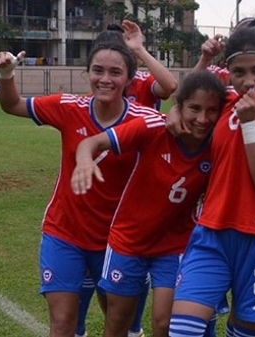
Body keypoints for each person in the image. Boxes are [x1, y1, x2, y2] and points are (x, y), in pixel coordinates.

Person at [0, 42, 159, 337]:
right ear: (87, 73)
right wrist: (6, 75)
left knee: (117, 326)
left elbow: (180, 116)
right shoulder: (69, 107)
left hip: (118, 241)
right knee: (62, 322)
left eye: (115, 72)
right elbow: (12, 105)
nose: (105, 79)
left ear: (130, 80)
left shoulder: (144, 120)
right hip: (64, 232)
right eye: (98, 70)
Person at [168, 27, 255, 337]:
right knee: (181, 330)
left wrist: (250, 124)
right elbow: (189, 93)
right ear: (228, 73)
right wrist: (177, 107)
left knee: (245, 333)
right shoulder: (224, 100)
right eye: (239, 72)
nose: (249, 81)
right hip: (211, 234)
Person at [70, 71, 225, 337]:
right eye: (195, 109)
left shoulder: (219, 144)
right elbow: (92, 142)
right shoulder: (153, 127)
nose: (202, 119)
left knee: (164, 324)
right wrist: (84, 159)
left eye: (212, 111)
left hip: (174, 244)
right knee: (117, 324)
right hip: (129, 241)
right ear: (180, 106)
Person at [74, 19, 178, 337]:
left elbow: (171, 87)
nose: (107, 76)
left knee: (127, 302)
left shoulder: (141, 85)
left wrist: (139, 50)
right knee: (102, 295)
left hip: (138, 199)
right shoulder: (100, 90)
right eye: (100, 67)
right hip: (96, 200)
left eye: (117, 65)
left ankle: (133, 329)